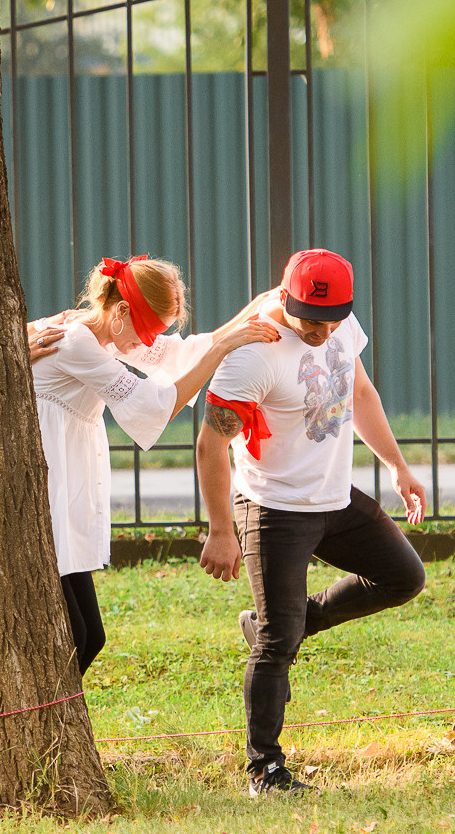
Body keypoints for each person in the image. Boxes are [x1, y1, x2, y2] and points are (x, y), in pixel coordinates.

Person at [197, 249, 429, 795]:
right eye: (311, 319)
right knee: (279, 643)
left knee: (403, 577)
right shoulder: (256, 352)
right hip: (274, 508)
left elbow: (360, 392)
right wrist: (221, 528)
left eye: (333, 318)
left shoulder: (342, 328)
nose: (323, 330)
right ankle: (265, 770)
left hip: (333, 498)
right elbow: (211, 443)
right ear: (286, 298)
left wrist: (396, 465)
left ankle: (281, 622)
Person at [32, 257, 280, 672]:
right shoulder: (76, 339)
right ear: (122, 311)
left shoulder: (107, 335)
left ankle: (57, 727)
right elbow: (155, 407)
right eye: (146, 331)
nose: (147, 344)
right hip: (45, 495)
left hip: (64, 491)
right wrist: (223, 348)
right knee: (74, 636)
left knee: (90, 636)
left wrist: (254, 309)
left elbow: (182, 355)